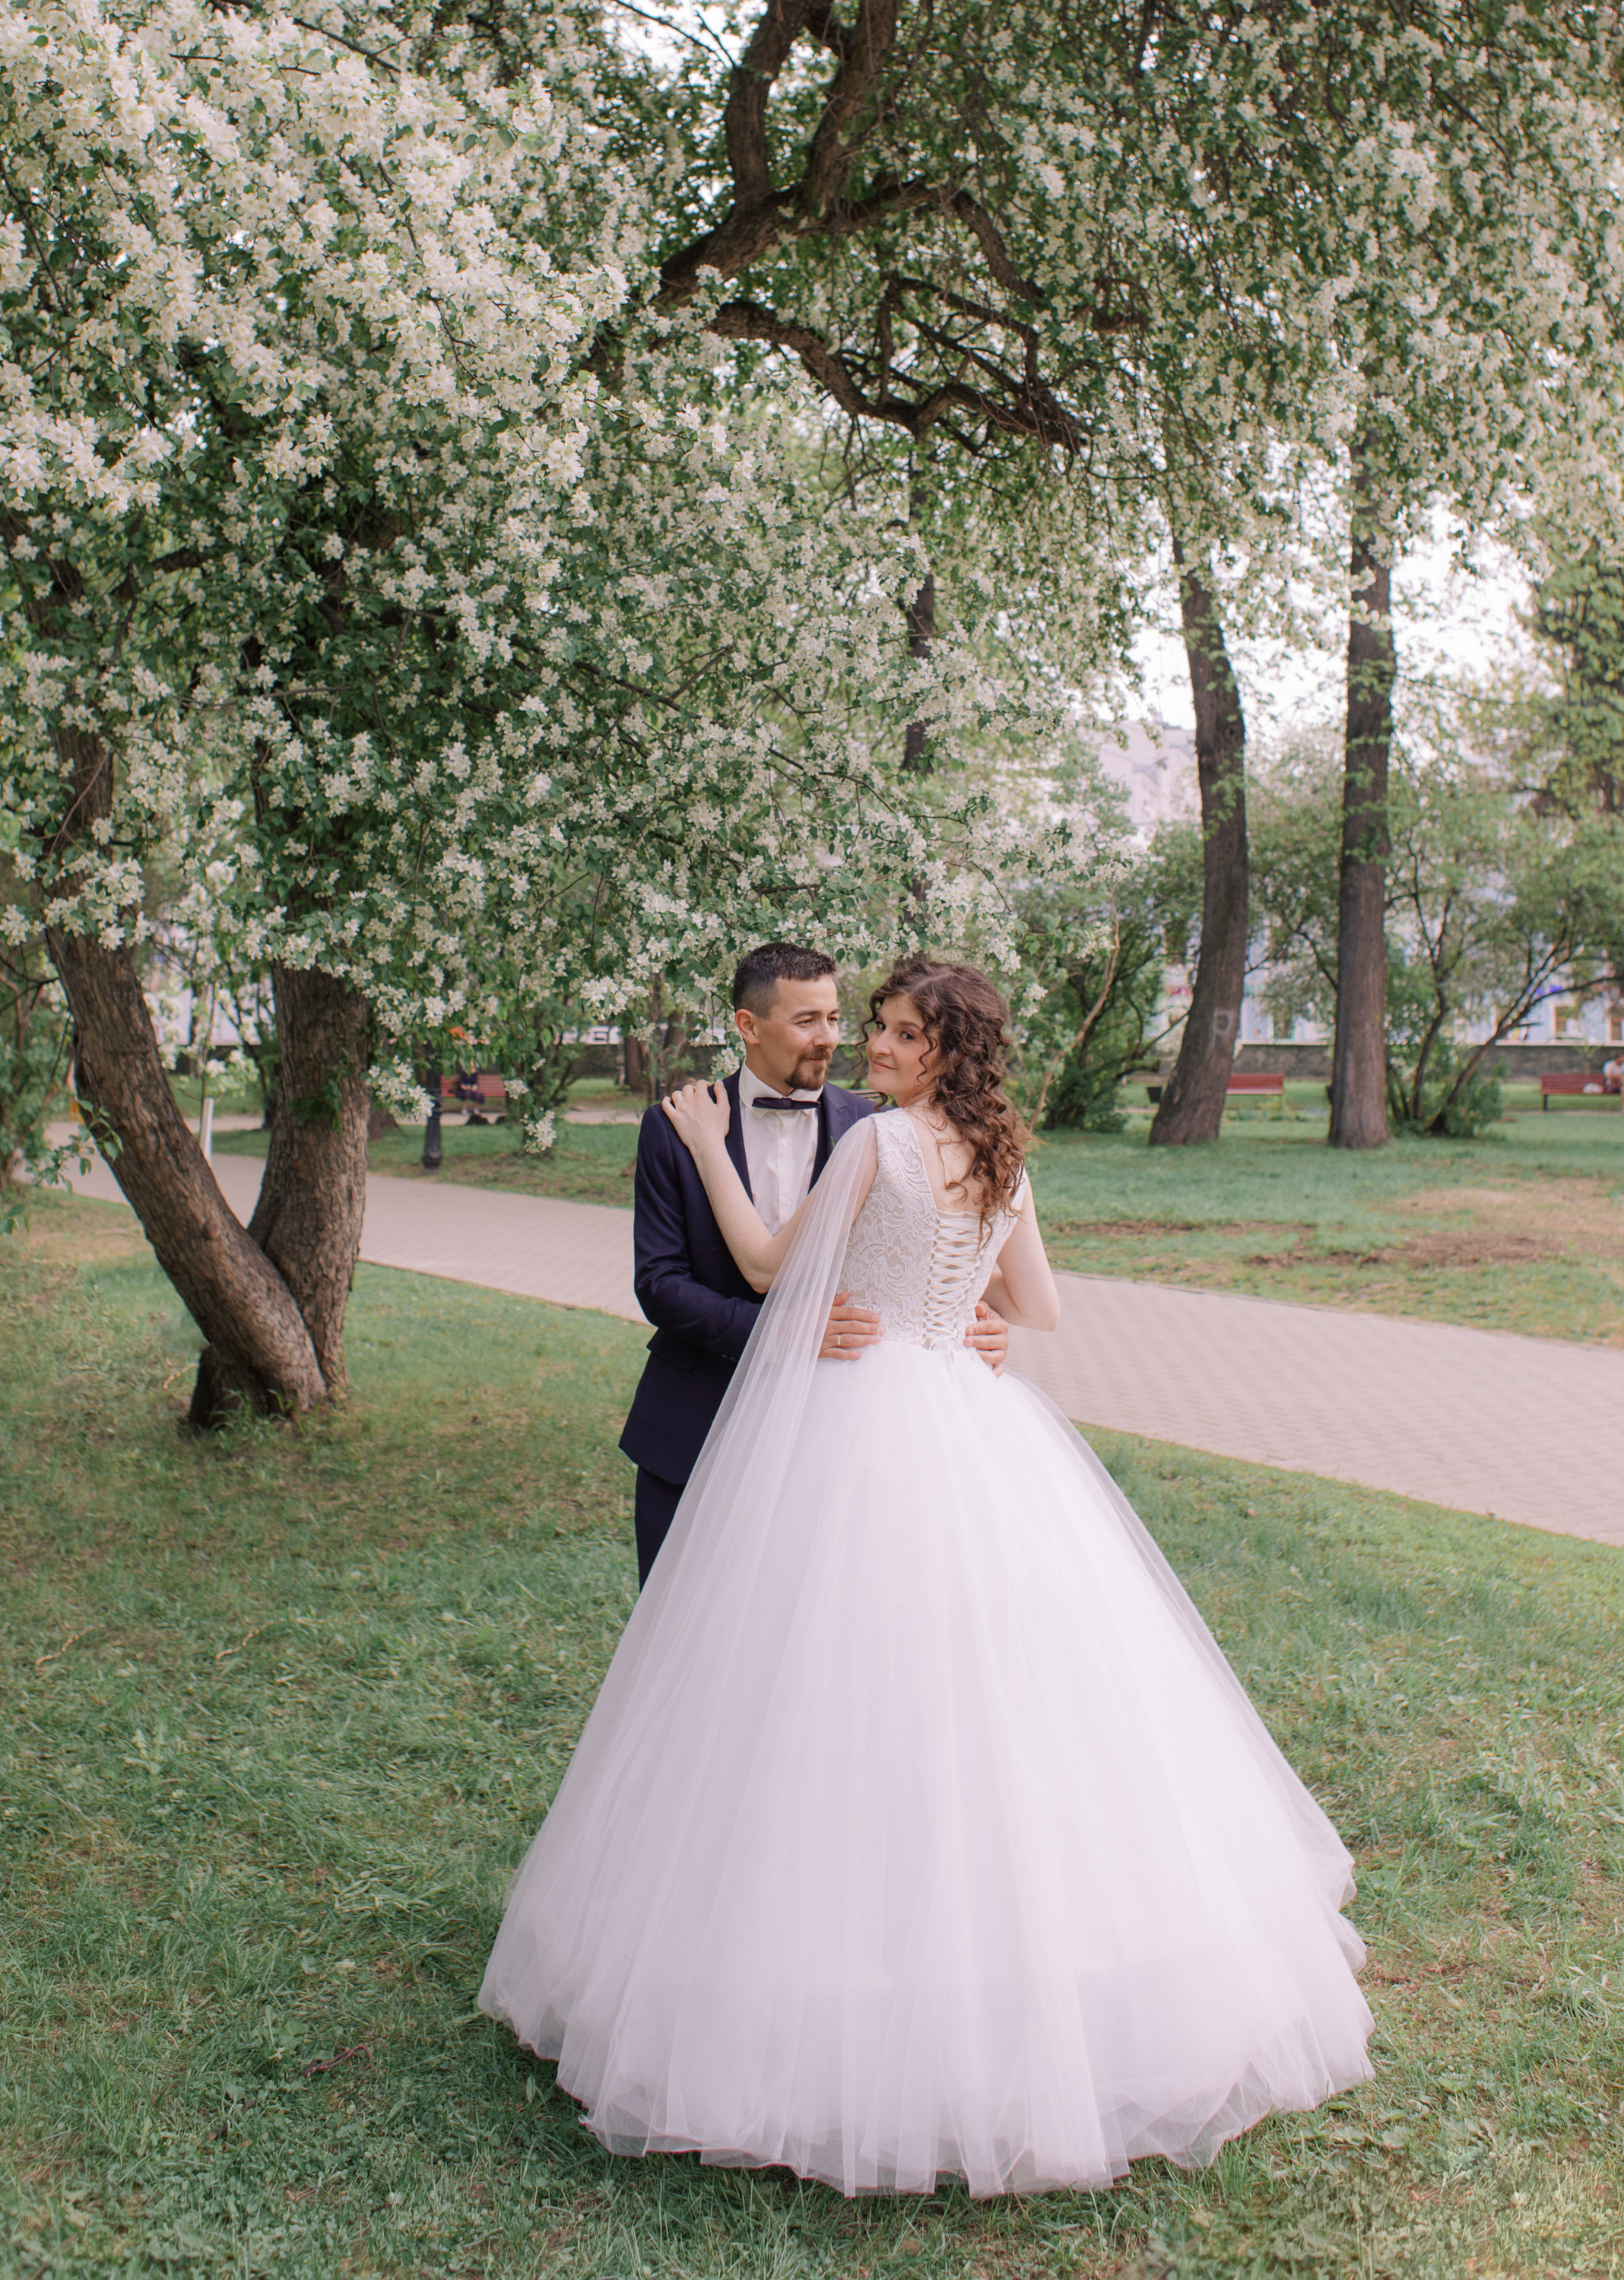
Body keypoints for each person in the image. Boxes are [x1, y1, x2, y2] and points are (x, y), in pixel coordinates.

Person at [481, 954, 1372, 2196]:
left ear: (943, 1049)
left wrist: (713, 1155)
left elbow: (761, 1268)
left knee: (824, 1683)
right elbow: (1042, 1309)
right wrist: (966, 1314)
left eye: (895, 1032)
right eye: (866, 1028)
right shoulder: (1003, 1155)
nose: (873, 1047)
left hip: (860, 1417)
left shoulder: (877, 1145)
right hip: (968, 1416)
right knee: (982, 1688)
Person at [618, 939, 1008, 1583]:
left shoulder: (879, 1123)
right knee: (676, 1624)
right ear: (748, 1026)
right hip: (696, 1416)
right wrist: (785, 1334)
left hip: (835, 1437)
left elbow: (922, 1247)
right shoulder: (677, 1127)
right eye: (806, 1022)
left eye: (833, 1017)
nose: (830, 1038)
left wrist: (978, 1321)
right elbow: (660, 1284)